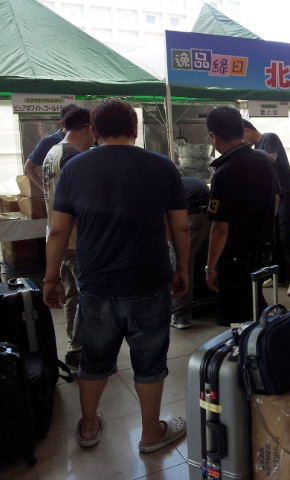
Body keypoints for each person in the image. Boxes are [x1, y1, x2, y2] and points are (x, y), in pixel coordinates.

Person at [43, 100, 190, 452]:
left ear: (94, 131)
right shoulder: (162, 166)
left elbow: (58, 231)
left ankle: (89, 427)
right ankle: (151, 433)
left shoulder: (74, 168)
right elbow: (181, 227)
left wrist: (50, 278)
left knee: (94, 360)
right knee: (150, 362)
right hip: (149, 281)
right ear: (135, 129)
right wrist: (183, 268)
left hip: (96, 284)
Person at [205, 107, 278, 326]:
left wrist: (211, 267)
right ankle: (263, 341)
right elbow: (276, 199)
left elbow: (220, 228)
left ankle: (247, 345)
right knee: (255, 305)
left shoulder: (223, 172)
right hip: (263, 249)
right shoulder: (264, 159)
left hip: (234, 258)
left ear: (214, 137)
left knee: (237, 316)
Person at [41, 106, 95, 369]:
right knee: (89, 296)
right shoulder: (73, 156)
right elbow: (81, 206)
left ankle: (75, 345)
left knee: (74, 294)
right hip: (75, 240)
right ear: (89, 129)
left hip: (58, 238)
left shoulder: (53, 152)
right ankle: (79, 348)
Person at [243, 120, 290, 297]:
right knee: (274, 236)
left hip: (287, 195)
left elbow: (268, 163)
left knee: (288, 235)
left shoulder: (269, 138)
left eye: (241, 138)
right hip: (273, 197)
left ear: (247, 131)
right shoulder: (256, 148)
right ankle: (280, 276)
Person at [169, 176, 211, 330]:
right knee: (194, 258)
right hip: (207, 217)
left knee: (181, 262)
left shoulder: (161, 186)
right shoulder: (189, 181)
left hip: (190, 217)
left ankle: (181, 316)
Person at [24, 104, 78, 193]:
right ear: (62, 123)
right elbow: (28, 167)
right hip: (59, 194)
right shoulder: (49, 141)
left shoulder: (84, 140)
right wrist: (45, 189)